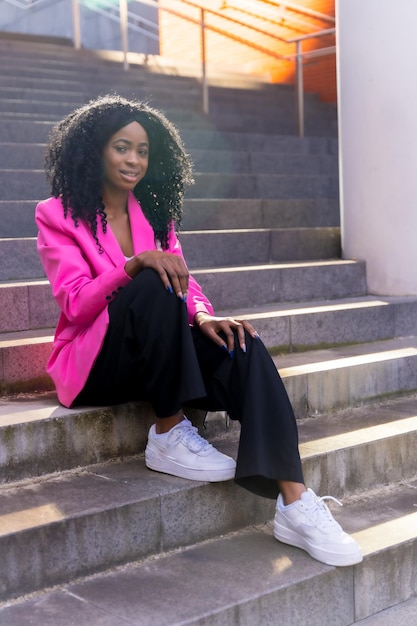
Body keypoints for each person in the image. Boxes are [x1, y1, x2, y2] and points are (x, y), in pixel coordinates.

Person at [35, 94, 362, 568]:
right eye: (122, 147)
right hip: (96, 364)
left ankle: (295, 502)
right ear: (95, 151)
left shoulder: (153, 213)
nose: (134, 160)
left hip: (156, 356)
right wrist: (132, 266)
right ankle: (168, 430)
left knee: (241, 342)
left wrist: (206, 317)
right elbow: (76, 300)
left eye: (143, 151)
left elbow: (186, 285)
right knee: (150, 278)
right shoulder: (57, 214)